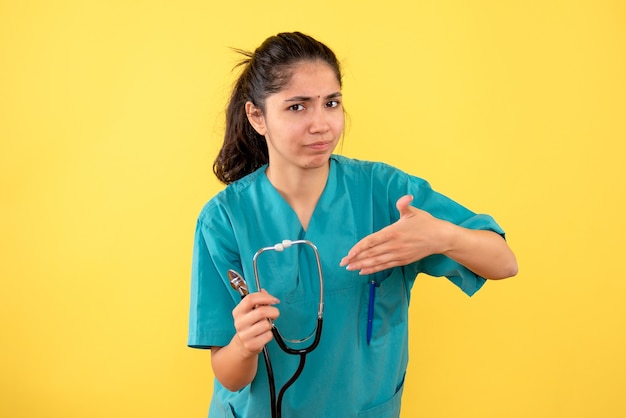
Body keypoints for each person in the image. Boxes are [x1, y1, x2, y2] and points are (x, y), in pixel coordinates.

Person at [188, 31, 518, 418]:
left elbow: (504, 263)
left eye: (331, 103)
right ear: (257, 116)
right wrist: (244, 345)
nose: (321, 124)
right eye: (297, 107)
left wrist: (441, 236)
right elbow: (229, 375)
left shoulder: (386, 193)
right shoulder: (225, 219)